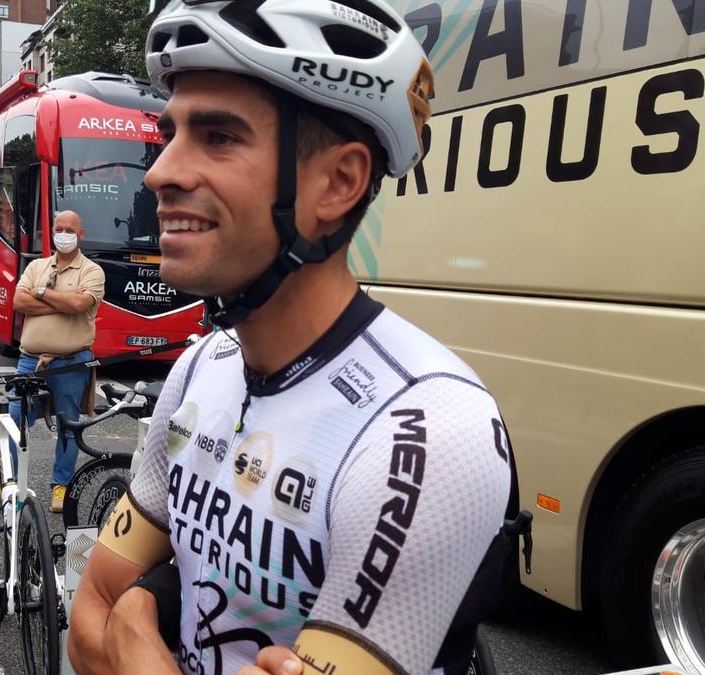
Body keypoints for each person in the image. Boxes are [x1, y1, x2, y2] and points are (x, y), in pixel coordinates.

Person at [68, 2, 523, 674]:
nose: (161, 172)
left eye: (218, 136)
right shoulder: (201, 368)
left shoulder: (426, 427)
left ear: (338, 182)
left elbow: (114, 612)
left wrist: (137, 621)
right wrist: (120, 613)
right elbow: (86, 616)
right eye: (170, 134)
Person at [0, 210, 104, 514]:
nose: (63, 234)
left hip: (71, 362)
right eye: (58, 228)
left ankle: (60, 487)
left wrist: (40, 295)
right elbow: (18, 302)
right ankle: (6, 485)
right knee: (14, 421)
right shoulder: (36, 266)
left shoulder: (92, 271)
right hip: (29, 361)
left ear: (81, 234)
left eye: (70, 229)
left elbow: (79, 304)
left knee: (68, 425)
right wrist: (56, 299)